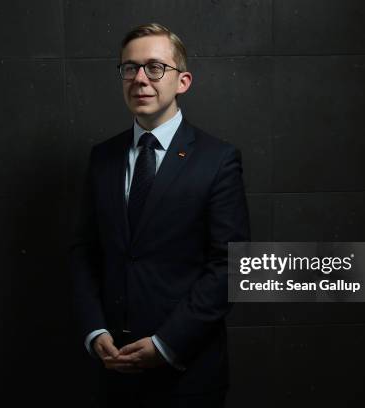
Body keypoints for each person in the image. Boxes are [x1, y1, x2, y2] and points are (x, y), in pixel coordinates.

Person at [70, 22, 251, 408]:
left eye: (155, 67)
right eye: (129, 68)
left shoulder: (217, 160)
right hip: (110, 370)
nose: (140, 79)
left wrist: (165, 344)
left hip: (186, 374)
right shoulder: (102, 158)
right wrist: (93, 329)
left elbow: (230, 267)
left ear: (182, 81)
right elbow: (84, 251)